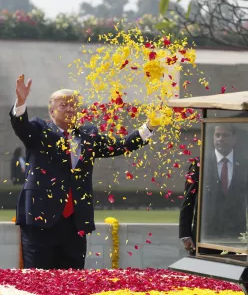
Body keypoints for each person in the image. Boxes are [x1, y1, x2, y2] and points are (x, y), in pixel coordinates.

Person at [10, 74, 157, 269]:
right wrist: (21, 102)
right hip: (41, 218)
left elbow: (121, 145)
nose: (70, 108)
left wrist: (150, 126)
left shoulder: (88, 135)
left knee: (73, 280)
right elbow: (21, 125)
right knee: (39, 279)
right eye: (64, 105)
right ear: (51, 110)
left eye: (73, 105)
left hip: (74, 222)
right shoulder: (39, 130)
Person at [179, 124, 247, 255]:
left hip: (236, 239)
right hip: (205, 237)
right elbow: (188, 200)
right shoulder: (200, 164)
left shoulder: (244, 164)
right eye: (217, 135)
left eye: (225, 135)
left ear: (234, 138)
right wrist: (185, 235)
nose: (220, 139)